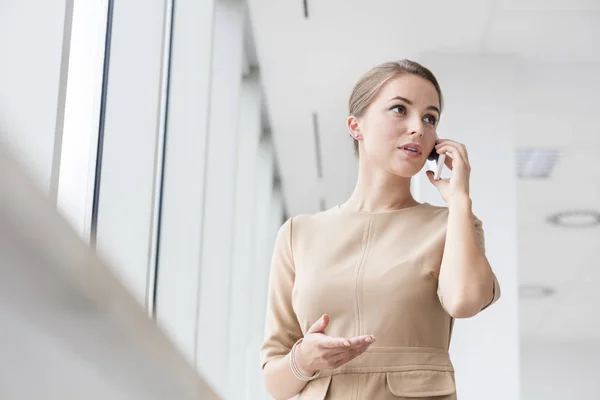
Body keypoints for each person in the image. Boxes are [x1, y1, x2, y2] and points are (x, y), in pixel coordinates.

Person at [260, 59, 501, 399]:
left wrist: (460, 201)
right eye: (400, 109)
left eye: (430, 118)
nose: (418, 127)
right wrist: (304, 358)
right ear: (355, 126)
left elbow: (465, 302)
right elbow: (275, 383)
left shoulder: (450, 225)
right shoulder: (298, 234)